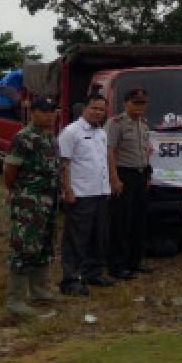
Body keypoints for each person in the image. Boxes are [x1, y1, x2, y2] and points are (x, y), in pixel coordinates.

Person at [4, 96, 61, 315]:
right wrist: (16, 191)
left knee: (44, 245)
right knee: (24, 246)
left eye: (52, 111)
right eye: (44, 111)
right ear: (33, 112)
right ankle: (15, 300)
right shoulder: (24, 137)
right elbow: (10, 171)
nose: (49, 115)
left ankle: (40, 291)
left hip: (48, 201)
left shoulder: (49, 137)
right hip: (29, 201)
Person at [57, 92, 114, 295]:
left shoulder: (101, 132)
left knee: (99, 236)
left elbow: (104, 161)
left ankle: (93, 272)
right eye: (94, 108)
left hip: (100, 192)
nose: (98, 112)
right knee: (76, 239)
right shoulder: (71, 132)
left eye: (102, 109)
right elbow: (64, 163)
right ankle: (71, 278)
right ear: (84, 109)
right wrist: (67, 190)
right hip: (80, 194)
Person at [107, 86, 152, 280]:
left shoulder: (144, 124)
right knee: (121, 222)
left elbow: (146, 152)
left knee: (139, 221)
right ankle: (117, 265)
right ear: (126, 103)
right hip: (124, 176)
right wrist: (114, 178)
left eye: (142, 103)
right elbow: (109, 152)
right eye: (135, 102)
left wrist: (147, 176)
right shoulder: (116, 123)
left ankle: (135, 262)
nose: (139, 106)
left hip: (141, 176)